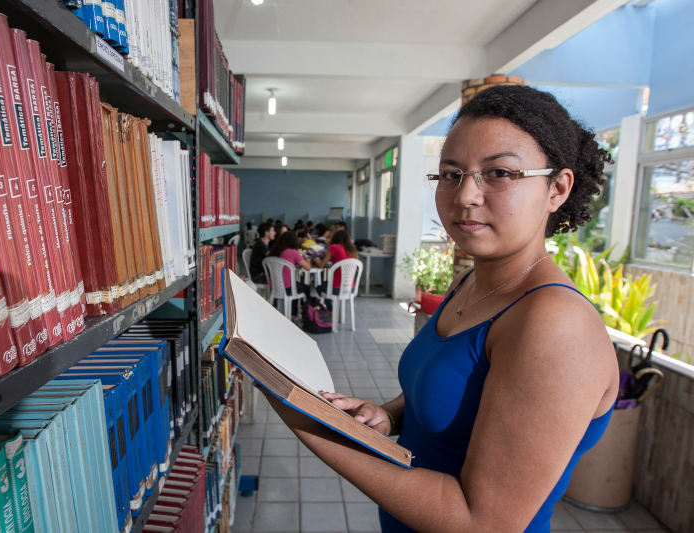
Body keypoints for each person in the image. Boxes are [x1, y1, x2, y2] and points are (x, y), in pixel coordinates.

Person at [262, 85, 619, 532]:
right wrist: (387, 415)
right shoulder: (470, 282)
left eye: (500, 174)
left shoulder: (554, 322)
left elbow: (482, 523)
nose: (465, 195)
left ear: (557, 188)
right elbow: (448, 397)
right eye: (451, 174)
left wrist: (313, 427)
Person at [267, 231, 311, 317]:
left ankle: (293, 313)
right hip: (288, 288)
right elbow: (308, 267)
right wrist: (306, 259)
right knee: (305, 286)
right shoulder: (293, 252)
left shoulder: (274, 249)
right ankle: (303, 313)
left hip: (274, 286)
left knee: (296, 282)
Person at [313, 230, 358, 310]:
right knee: (327, 285)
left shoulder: (333, 247)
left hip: (337, 288)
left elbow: (321, 265)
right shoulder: (352, 249)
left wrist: (317, 260)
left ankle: (330, 309)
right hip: (350, 288)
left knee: (319, 287)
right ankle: (333, 309)